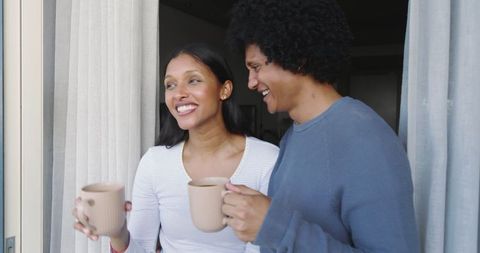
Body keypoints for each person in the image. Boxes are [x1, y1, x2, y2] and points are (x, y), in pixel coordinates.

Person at [221, 0, 420, 252]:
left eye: (257, 67)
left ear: (298, 58)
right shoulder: (293, 135)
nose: (250, 83)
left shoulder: (367, 140)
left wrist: (276, 228)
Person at [73, 43, 279, 253]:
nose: (178, 94)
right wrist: (117, 232)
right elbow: (141, 247)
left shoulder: (266, 160)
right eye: (170, 85)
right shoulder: (155, 162)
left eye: (193, 81)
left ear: (224, 90)